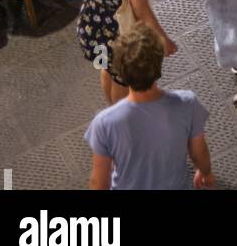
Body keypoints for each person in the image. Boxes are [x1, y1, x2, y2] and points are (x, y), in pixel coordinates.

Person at [85, 25, 213, 190]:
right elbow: (198, 152)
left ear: (120, 71)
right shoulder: (187, 103)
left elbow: (99, 182)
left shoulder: (104, 123)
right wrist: (205, 172)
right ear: (158, 65)